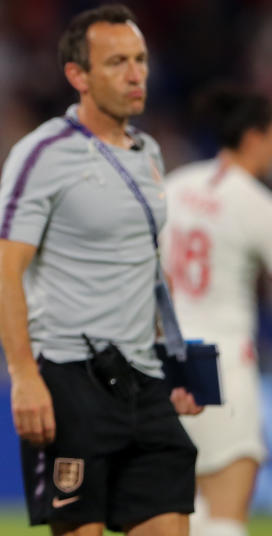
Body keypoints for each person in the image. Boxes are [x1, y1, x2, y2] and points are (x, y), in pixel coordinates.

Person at [0, 3, 202, 536]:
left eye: (141, 60)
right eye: (117, 63)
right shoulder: (40, 154)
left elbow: (150, 267)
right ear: (77, 76)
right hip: (69, 378)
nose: (136, 75)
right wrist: (24, 378)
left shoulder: (149, 152)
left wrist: (177, 364)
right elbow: (3, 273)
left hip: (145, 380)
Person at [162, 86, 272, 536]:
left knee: (181, 511)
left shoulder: (175, 185)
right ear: (254, 137)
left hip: (166, 362)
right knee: (226, 515)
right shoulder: (253, 201)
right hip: (223, 361)